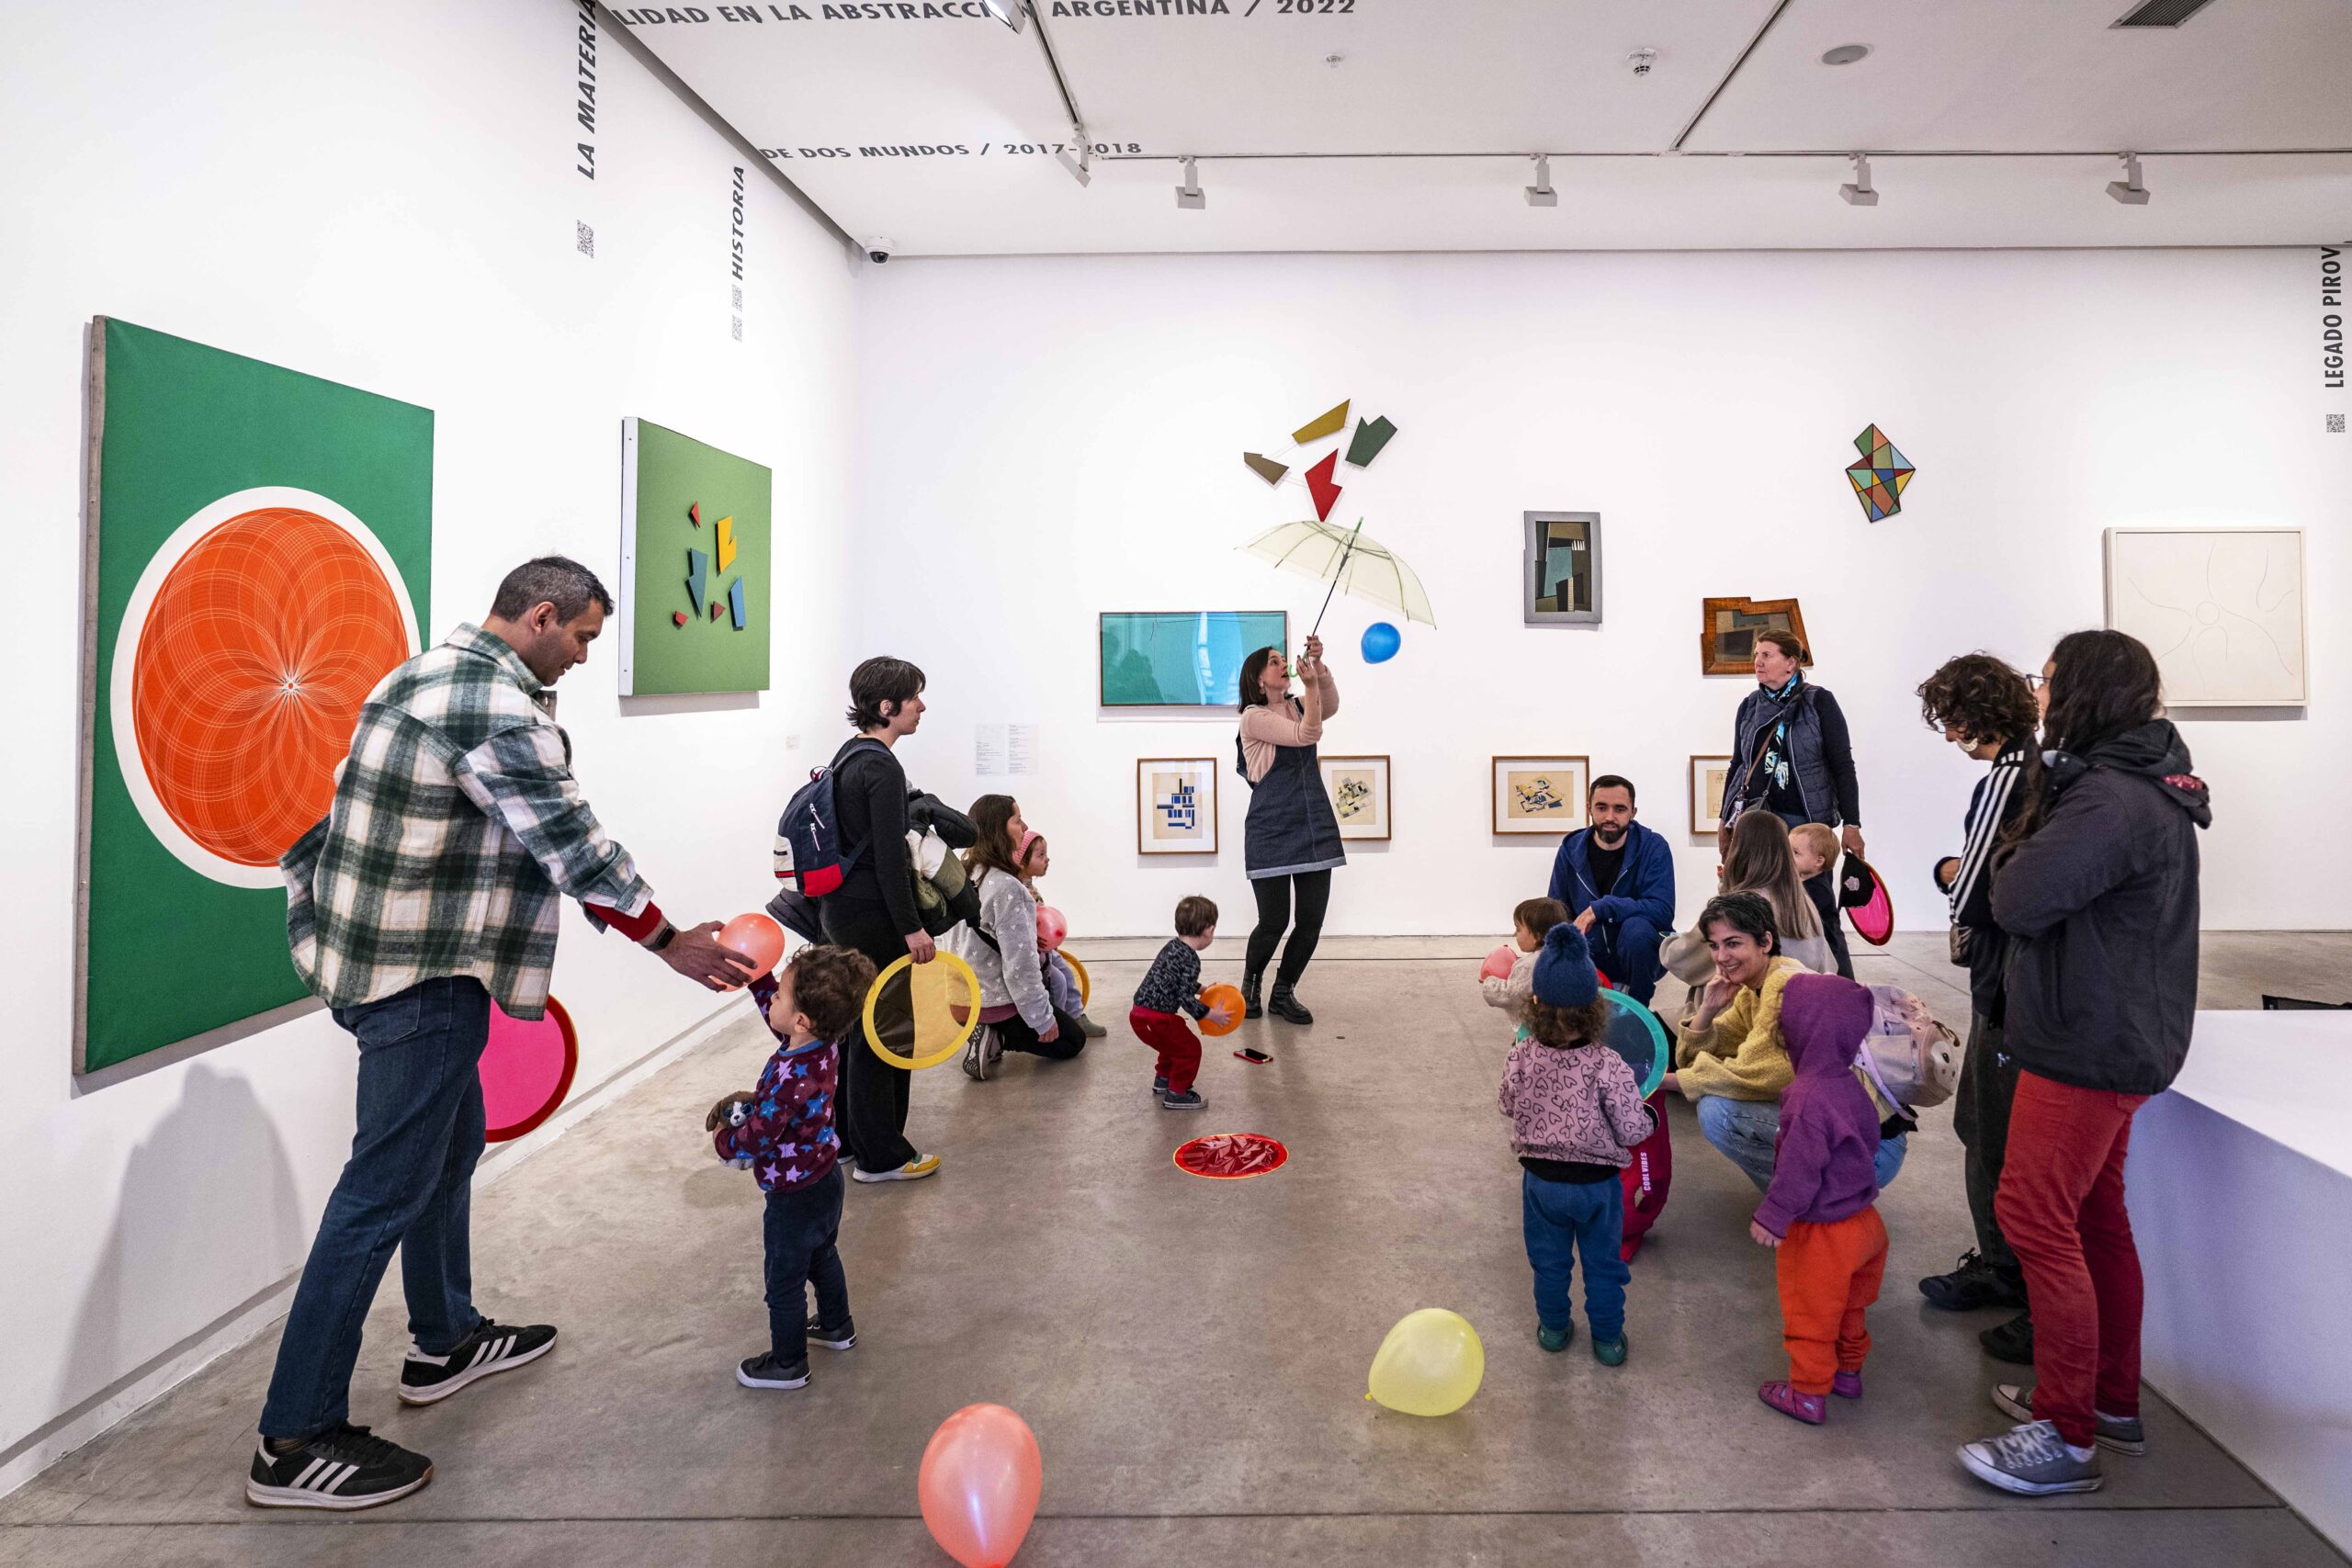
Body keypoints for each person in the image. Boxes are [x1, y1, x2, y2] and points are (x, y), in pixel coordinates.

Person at [250, 557, 753, 1511]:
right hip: (422, 972)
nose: (582, 656)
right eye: (583, 639)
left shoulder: (424, 672)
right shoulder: (496, 705)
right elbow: (568, 836)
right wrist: (667, 939)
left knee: (448, 1149)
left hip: (385, 953)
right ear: (541, 615)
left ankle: (444, 1339)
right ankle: (293, 1436)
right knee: (378, 1193)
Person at [1958, 630, 2208, 1497]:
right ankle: (2106, 1399)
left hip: (2086, 1040)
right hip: (2115, 1030)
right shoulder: (2135, 784)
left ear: (2086, 690)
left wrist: (2011, 851)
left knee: (2032, 1216)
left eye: (2051, 680)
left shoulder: (2106, 799)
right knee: (2095, 1217)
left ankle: (2065, 1435)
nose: (2040, 693)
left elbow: (2017, 898)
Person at [1913, 654, 2044, 1366]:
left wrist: (1946, 873)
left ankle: (2017, 1279)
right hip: (2017, 981)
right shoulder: (2043, 768)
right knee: (1986, 1126)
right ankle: (2006, 1268)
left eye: (1949, 718)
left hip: (2009, 984)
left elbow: (1969, 895)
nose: (1947, 735)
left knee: (1993, 1132)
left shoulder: (2007, 776)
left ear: (1969, 714)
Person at [708, 943, 876, 1392]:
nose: (773, 1002)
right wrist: (761, 979)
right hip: (825, 1179)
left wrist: (726, 1143)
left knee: (782, 1280)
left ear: (802, 1020)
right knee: (822, 1254)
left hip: (793, 1193)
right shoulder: (820, 1045)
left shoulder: (790, 1075)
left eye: (781, 994)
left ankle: (788, 1363)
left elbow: (760, 1134)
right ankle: (837, 1326)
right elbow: (779, 1016)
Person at [1668, 893, 1909, 1193]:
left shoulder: (1784, 986)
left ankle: (1816, 1200)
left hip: (1873, 1149)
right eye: (1714, 946)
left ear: (1765, 942)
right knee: (1720, 1095)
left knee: (1718, 1112)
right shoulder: (1754, 989)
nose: (1721, 957)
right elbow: (1693, 1057)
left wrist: (1672, 1082)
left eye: (1733, 943)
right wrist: (1708, 1008)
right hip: (1857, 1135)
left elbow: (1759, 1074)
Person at [1499, 923, 1656, 1366]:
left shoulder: (1520, 1054)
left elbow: (1506, 1104)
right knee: (1603, 1266)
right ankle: (1607, 1340)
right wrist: (1646, 1119)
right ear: (1595, 1009)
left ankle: (1553, 1329)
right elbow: (1629, 1130)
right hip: (1597, 1187)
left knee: (1548, 1264)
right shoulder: (1609, 1063)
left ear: (1535, 1004)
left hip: (1541, 1182)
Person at [819, 656, 940, 1185]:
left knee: (853, 1030)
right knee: (884, 1032)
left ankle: (848, 1141)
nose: (922, 706)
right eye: (914, 697)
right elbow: (892, 859)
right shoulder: (883, 767)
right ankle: (884, 1155)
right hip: (875, 917)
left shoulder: (849, 756)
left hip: (841, 913)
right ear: (887, 707)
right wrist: (912, 927)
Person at [1751, 974, 1890, 1426]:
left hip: (1822, 1234)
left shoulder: (1806, 1097)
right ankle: (1848, 1372)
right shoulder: (1852, 1084)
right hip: (1865, 1225)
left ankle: (1808, 1393)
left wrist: (1774, 1216)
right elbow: (1868, 1141)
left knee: (1811, 1314)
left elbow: (1799, 1168)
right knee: (1851, 1306)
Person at [1720, 630, 1862, 978]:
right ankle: (1764, 988)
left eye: (1767, 654)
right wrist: (1724, 820)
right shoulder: (1750, 706)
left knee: (1817, 909)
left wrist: (1852, 824)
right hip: (1759, 821)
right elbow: (1738, 765)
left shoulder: (1819, 703)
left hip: (1805, 821)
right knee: (1755, 907)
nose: (1758, 662)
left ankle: (1839, 987)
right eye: (1757, 654)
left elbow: (1843, 764)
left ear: (1791, 663)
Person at [1237, 636, 1343, 1030]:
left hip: (1313, 823)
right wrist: (1311, 685)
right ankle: (1250, 984)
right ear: (1259, 679)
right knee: (1273, 922)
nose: (1283, 664)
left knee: (1311, 920)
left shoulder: (1299, 705)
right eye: (1274, 661)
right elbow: (1306, 735)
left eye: (1285, 659)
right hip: (1271, 830)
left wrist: (1319, 669)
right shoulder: (1253, 717)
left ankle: (1283, 992)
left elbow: (1329, 707)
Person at [950, 795, 1087, 1080]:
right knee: (1073, 1040)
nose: (1024, 826)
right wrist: (1042, 1019)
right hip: (992, 1005)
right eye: (1016, 820)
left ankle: (985, 1034)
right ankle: (997, 1037)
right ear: (999, 829)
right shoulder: (1008, 887)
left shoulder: (963, 874)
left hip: (959, 1001)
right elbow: (1020, 967)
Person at [1544, 774, 1675, 1006]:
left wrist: (1603, 907)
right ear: (1589, 808)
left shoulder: (1654, 847)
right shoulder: (1570, 848)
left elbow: (1662, 910)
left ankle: (1638, 1012)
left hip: (1639, 954)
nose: (1610, 817)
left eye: (1620, 809)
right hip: (1588, 955)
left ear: (1633, 812)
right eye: (1602, 807)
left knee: (1637, 929)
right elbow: (1555, 909)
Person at [1129, 896, 1233, 1111]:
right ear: (1209, 930)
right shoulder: (1192, 959)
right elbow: (1184, 998)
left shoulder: (1172, 947)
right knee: (1189, 1048)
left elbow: (1174, 979)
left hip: (1140, 1014)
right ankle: (1177, 1093)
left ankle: (1164, 1080)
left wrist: (1203, 989)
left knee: (1172, 1043)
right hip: (1156, 1018)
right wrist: (1210, 1014)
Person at [1719, 811, 1836, 975]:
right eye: (1790, 851)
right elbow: (1826, 963)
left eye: (1796, 852)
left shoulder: (1740, 905)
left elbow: (1689, 960)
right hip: (1805, 988)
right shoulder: (1802, 899)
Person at [1015, 829, 1105, 1039]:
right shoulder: (1017, 889)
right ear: (1022, 860)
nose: (1047, 859)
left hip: (1045, 948)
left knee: (1066, 973)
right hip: (1033, 952)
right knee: (1058, 981)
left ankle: (1075, 1016)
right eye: (1041, 855)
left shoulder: (1031, 887)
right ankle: (1060, 1023)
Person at [1480, 897, 1569, 1016]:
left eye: (1518, 929)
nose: (1515, 933)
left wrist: (1489, 982)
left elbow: (1510, 996)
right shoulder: (1566, 956)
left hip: (1537, 1029)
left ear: (1536, 936)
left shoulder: (1530, 965)